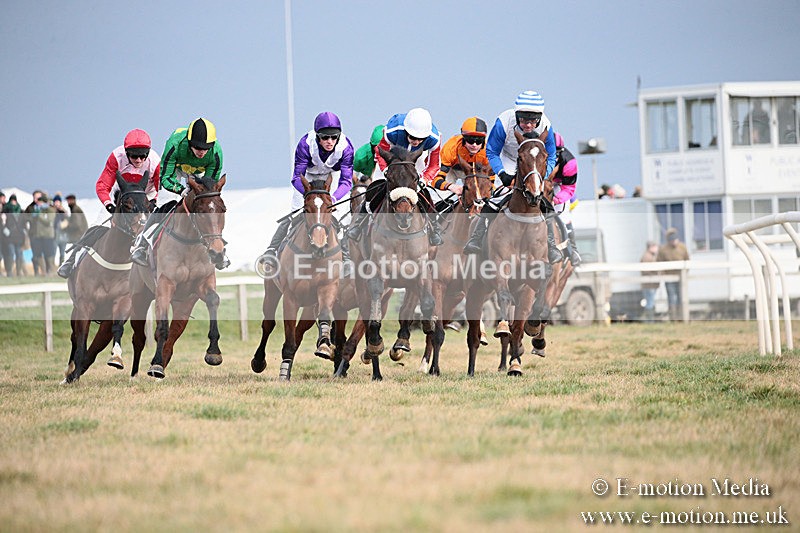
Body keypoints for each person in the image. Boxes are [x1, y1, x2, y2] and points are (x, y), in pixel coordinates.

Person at [463, 90, 560, 262]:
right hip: (508, 160)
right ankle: (476, 238)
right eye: (523, 119)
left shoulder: (546, 125)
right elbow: (492, 151)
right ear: (516, 116)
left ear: (539, 118)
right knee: (497, 199)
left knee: (543, 202)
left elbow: (551, 156)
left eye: (532, 121)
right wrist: (502, 173)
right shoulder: (503, 121)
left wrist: (541, 175)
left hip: (533, 164)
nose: (528, 125)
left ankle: (551, 246)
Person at [58, 129, 161, 278]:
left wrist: (153, 202)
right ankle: (71, 260)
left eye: (143, 155)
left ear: (148, 153)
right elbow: (102, 185)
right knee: (97, 225)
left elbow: (161, 188)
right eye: (134, 156)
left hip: (145, 197)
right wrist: (109, 206)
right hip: (120, 198)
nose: (138, 160)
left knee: (156, 228)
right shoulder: (116, 157)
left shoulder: (155, 162)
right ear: (126, 153)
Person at [258, 111, 354, 267]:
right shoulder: (305, 144)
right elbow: (296, 177)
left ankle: (346, 257)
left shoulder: (346, 148)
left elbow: (346, 181)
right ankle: (272, 249)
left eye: (334, 137)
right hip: (308, 176)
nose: (330, 141)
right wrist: (310, 197)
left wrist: (333, 198)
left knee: (339, 215)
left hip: (332, 175)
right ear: (317, 136)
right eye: (325, 137)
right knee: (296, 213)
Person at [131, 118, 222, 267]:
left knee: (210, 206)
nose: (201, 151)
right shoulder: (175, 143)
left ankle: (218, 249)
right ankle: (141, 245)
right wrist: (181, 190)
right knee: (163, 206)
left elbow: (209, 187)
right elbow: (166, 177)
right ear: (189, 141)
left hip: (200, 174)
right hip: (176, 170)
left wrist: (198, 193)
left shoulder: (216, 153)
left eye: (205, 148)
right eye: (197, 147)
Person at [347, 107, 444, 246]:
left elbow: (434, 166)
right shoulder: (392, 132)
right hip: (392, 156)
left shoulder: (434, 139)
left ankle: (435, 230)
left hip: (417, 158)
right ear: (406, 131)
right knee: (376, 187)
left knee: (424, 193)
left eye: (420, 139)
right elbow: (380, 152)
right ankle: (359, 224)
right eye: (412, 137)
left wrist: (424, 180)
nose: (416, 141)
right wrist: (386, 170)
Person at [431, 116, 494, 196]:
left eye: (479, 141)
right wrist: (450, 186)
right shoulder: (451, 148)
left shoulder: (488, 152)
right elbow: (435, 179)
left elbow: (490, 180)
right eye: (470, 140)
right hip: (451, 170)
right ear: (464, 138)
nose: (474, 145)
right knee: (441, 195)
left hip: (474, 173)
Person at [549, 132, 581, 266]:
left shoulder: (569, 162)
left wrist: (556, 200)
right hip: (540, 182)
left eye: (556, 154)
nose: (553, 157)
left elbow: (568, 189)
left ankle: (572, 250)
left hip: (560, 185)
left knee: (562, 215)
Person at [657, 228, 690, 321]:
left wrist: (685, 273)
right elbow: (659, 262)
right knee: (671, 297)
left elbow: (687, 260)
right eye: (672, 240)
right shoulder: (663, 249)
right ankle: (673, 317)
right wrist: (663, 274)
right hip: (669, 278)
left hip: (681, 277)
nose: (674, 242)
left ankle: (681, 317)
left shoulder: (682, 247)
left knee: (681, 297)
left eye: (675, 240)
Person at [29, 193, 56, 276]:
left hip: (48, 236)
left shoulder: (50, 210)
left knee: (48, 255)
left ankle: (50, 271)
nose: (39, 204)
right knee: (38, 255)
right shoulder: (36, 210)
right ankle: (41, 272)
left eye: (40, 202)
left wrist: (39, 215)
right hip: (38, 236)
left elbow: (48, 221)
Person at [1, 194, 26, 276]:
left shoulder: (21, 211)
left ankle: (18, 271)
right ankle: (10, 271)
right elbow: (2, 223)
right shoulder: (6, 211)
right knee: (10, 254)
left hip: (19, 237)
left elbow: (24, 223)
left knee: (19, 254)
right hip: (9, 237)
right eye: (12, 201)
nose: (13, 203)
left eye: (14, 201)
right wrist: (5, 230)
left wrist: (24, 231)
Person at [639, 240, 660, 322]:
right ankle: (650, 321)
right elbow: (647, 271)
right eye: (655, 247)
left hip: (650, 284)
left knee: (650, 301)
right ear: (650, 247)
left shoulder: (650, 256)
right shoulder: (647, 257)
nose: (656, 248)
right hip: (649, 284)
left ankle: (650, 320)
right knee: (650, 302)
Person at [52, 194, 69, 265]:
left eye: (58, 202)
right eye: (55, 202)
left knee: (62, 253)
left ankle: (61, 266)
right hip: (54, 235)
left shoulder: (63, 211)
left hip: (63, 235)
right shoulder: (52, 211)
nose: (57, 203)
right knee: (53, 252)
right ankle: (52, 267)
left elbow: (67, 220)